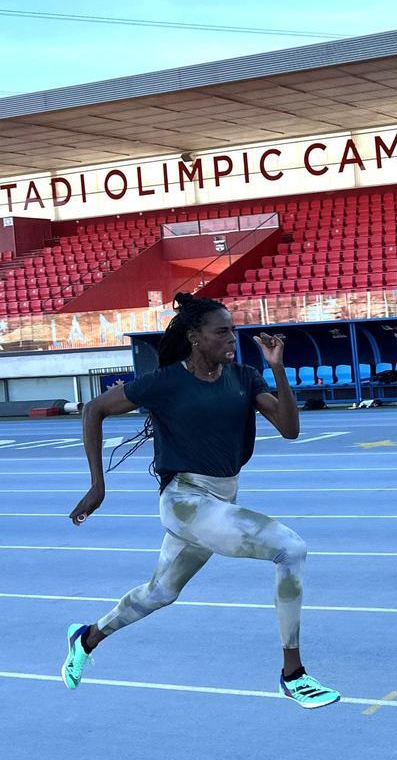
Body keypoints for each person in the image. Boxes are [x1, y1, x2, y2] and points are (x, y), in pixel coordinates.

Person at [62, 293, 340, 710]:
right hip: (185, 501)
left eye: (233, 329)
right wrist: (98, 486)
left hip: (219, 499)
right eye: (222, 331)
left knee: (160, 592)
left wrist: (277, 368)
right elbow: (94, 410)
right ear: (196, 338)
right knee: (290, 548)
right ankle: (293, 674)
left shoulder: (245, 378)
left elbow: (289, 428)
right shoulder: (167, 382)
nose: (233, 337)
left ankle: (86, 638)